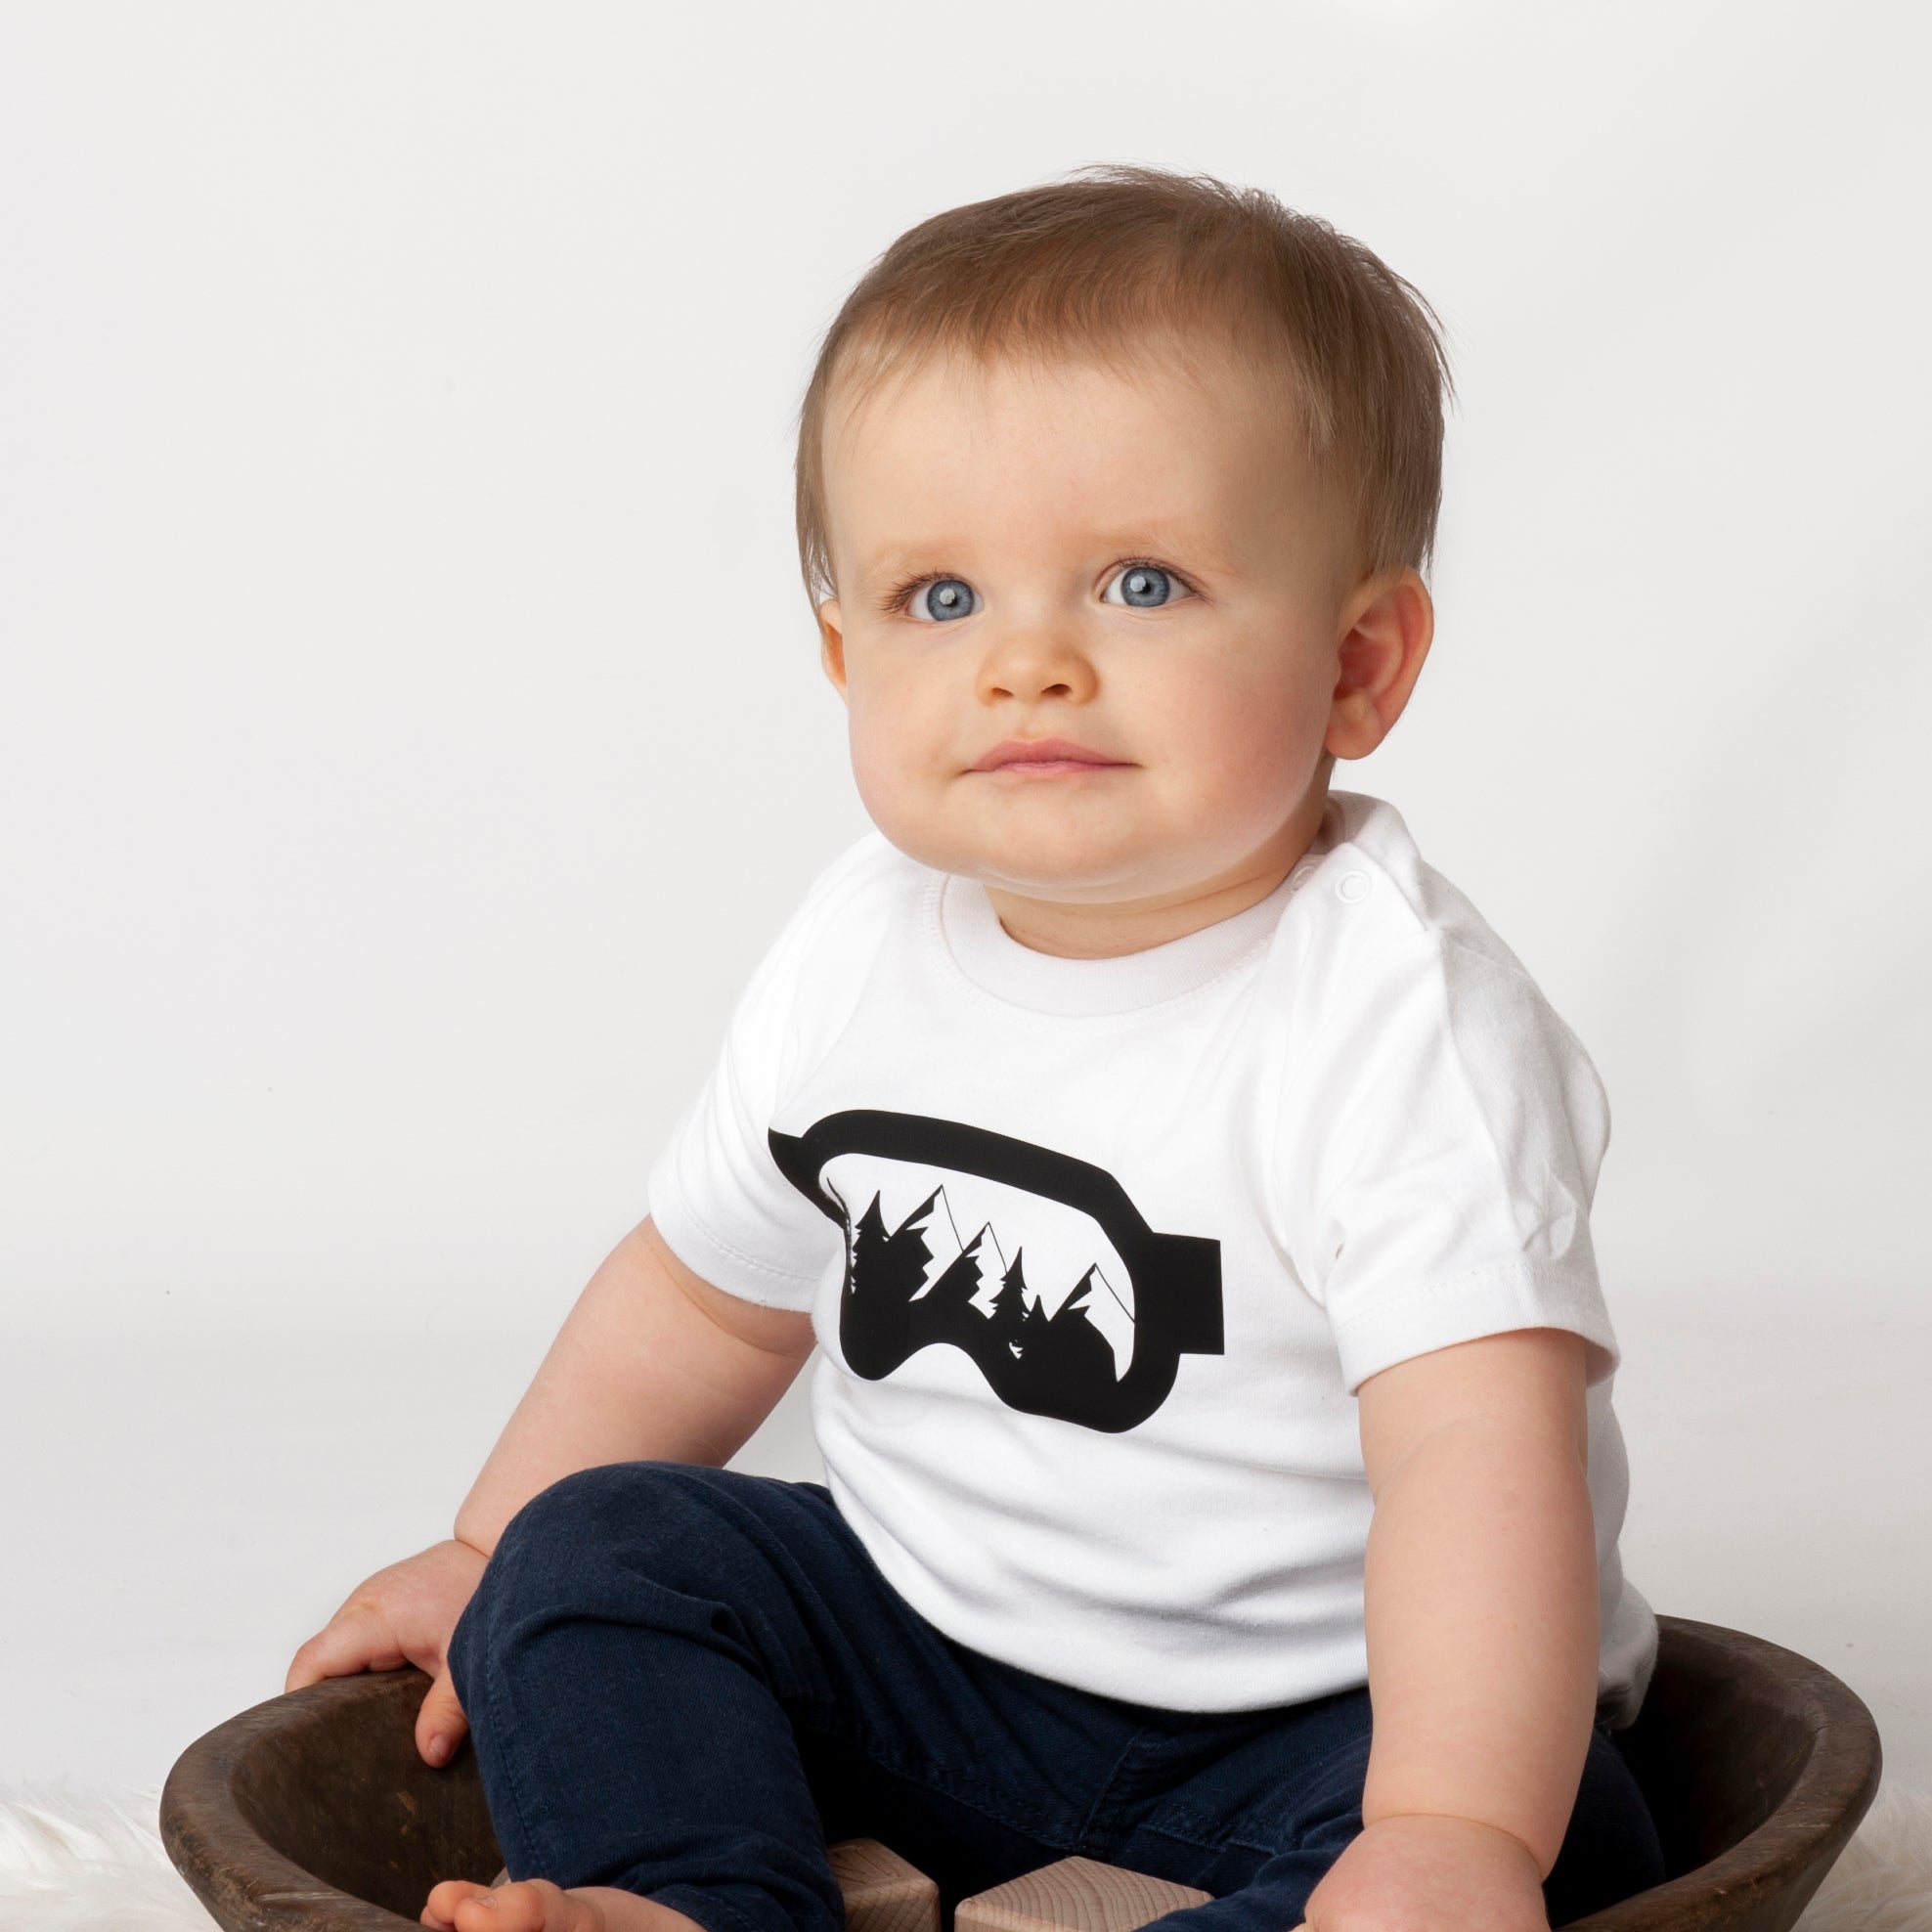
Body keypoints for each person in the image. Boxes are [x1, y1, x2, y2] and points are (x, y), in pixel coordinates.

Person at [286, 167, 1668, 1932]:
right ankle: (692, 1900)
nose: (1029, 665)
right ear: (839, 650)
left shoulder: (1399, 1022)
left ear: (1357, 664)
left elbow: (1480, 1459)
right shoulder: (860, 948)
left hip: (1333, 1727)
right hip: (938, 1652)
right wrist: (486, 1552)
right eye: (942, 601)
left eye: (1142, 583)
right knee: (602, 1550)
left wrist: (1454, 1828)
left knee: (1556, 1848)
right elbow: (709, 1295)